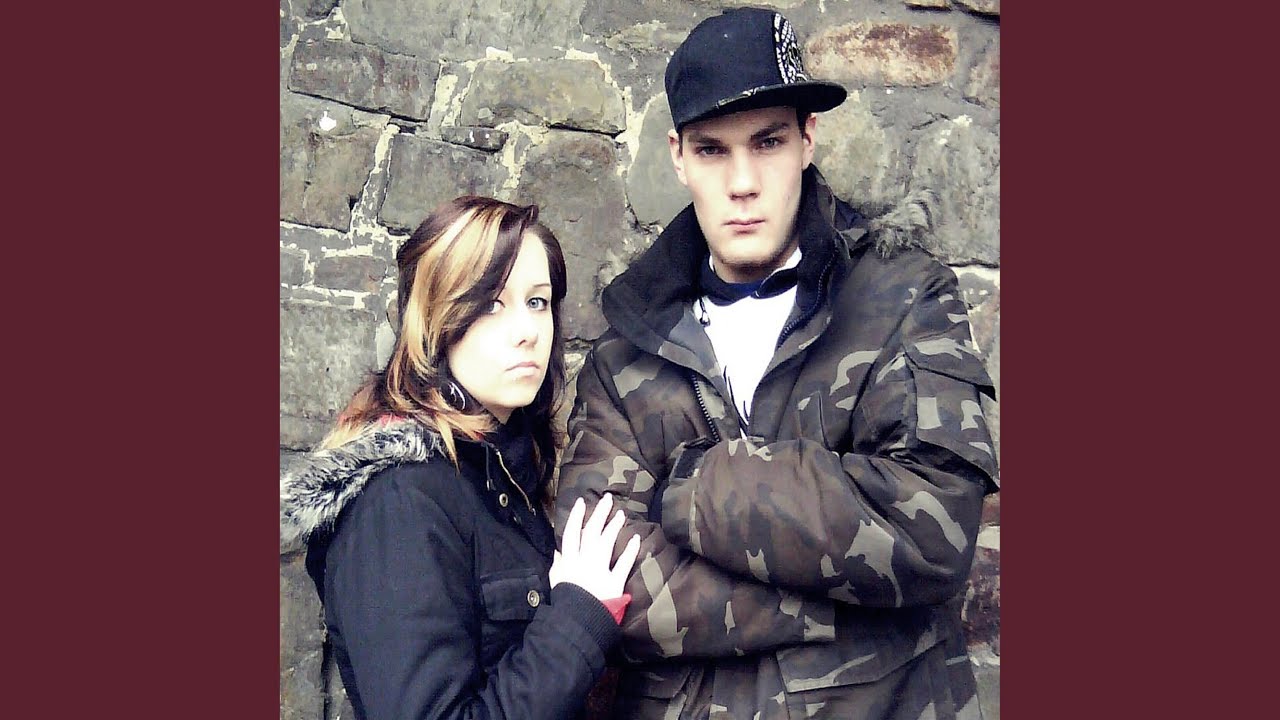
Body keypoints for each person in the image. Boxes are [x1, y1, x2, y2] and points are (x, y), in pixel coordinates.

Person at [555, 7, 1000, 720]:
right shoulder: (624, 353)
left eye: (767, 142)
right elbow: (608, 589)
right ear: (677, 157)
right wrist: (828, 602)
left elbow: (933, 531)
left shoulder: (901, 297)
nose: (742, 182)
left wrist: (697, 488)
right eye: (712, 150)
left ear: (807, 139)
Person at [280, 196, 642, 720]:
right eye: (492, 304)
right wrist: (579, 617)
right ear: (437, 317)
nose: (528, 330)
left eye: (537, 301)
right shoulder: (399, 502)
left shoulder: (501, 474)